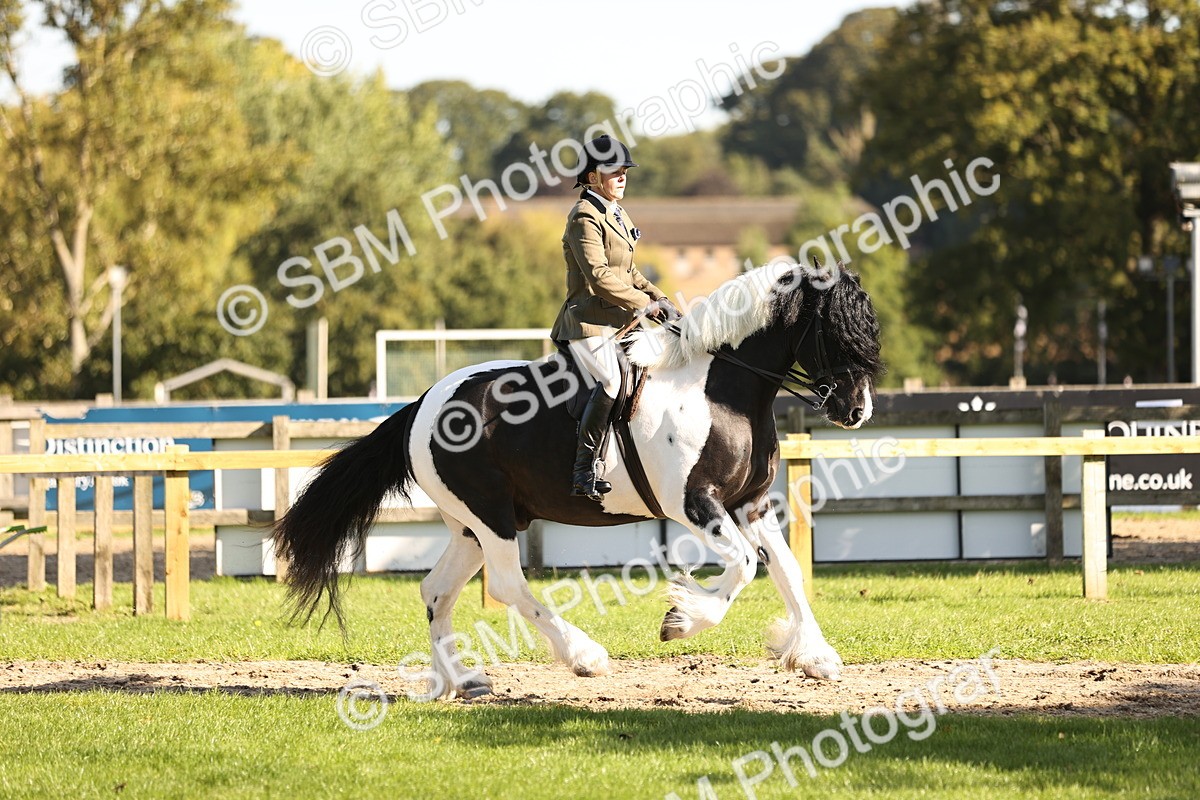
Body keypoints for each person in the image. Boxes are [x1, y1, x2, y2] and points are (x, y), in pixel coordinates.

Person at [550, 135, 681, 500]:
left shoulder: (617, 212)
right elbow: (599, 277)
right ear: (592, 178)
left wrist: (660, 298)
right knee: (611, 380)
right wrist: (644, 304)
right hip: (587, 322)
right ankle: (584, 469)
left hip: (619, 321)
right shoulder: (584, 216)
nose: (623, 177)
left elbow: (629, 271)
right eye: (614, 172)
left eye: (625, 171)